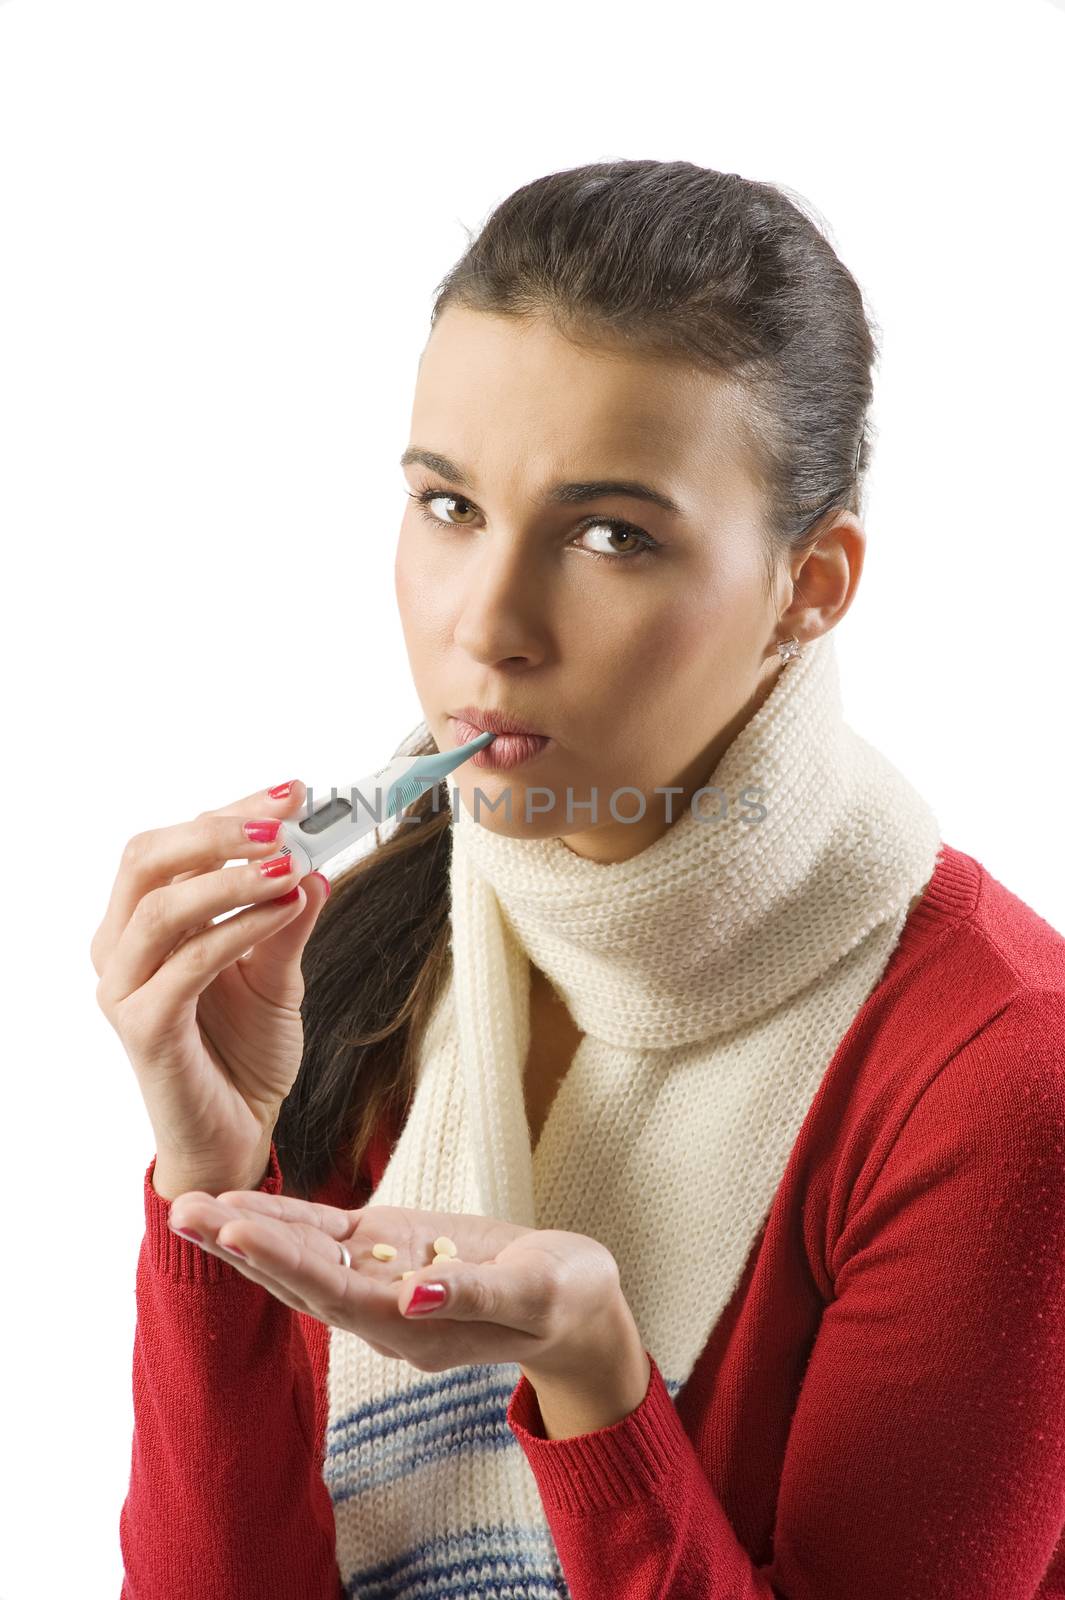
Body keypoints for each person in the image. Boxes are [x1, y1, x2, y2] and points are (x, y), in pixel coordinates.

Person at [96, 160, 1065, 1600]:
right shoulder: (357, 942)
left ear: (809, 587)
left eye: (611, 534)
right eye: (447, 507)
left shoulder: (999, 1078)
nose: (485, 625)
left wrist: (593, 1373)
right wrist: (211, 1191)